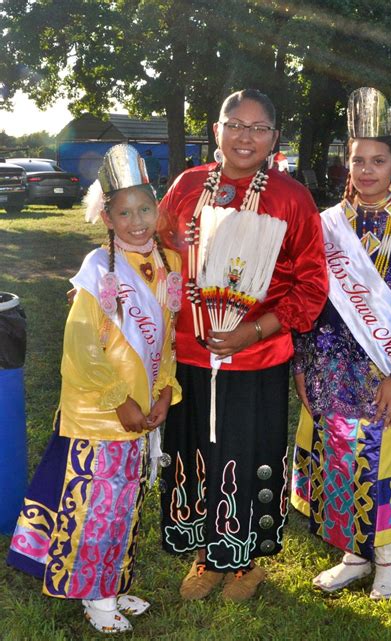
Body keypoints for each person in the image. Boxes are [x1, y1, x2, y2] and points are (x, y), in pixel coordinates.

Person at [158, 88, 328, 602]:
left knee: (245, 452)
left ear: (275, 138)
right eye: (236, 124)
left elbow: (312, 286)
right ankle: (206, 556)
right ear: (217, 131)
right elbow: (160, 250)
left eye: (258, 128)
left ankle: (244, 561)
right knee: (195, 452)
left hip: (257, 356)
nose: (245, 136)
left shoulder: (291, 198)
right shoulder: (187, 187)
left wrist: (252, 331)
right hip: (190, 353)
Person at [7, 144, 182, 634]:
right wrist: (119, 401)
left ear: (157, 209)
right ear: (107, 217)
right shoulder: (98, 273)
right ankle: (95, 596)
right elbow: (82, 351)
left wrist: (165, 391)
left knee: (125, 506)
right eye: (124, 212)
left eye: (145, 208)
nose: (137, 221)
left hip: (142, 413)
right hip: (103, 418)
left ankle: (112, 581)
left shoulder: (165, 266)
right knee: (97, 511)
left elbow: (165, 341)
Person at [291, 87, 391, 600]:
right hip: (330, 366)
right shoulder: (326, 226)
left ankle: (388, 559)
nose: (365, 170)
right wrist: (300, 362)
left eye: (378, 160)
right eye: (357, 160)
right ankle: (354, 555)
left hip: (388, 370)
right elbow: (309, 297)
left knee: (384, 463)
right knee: (338, 456)